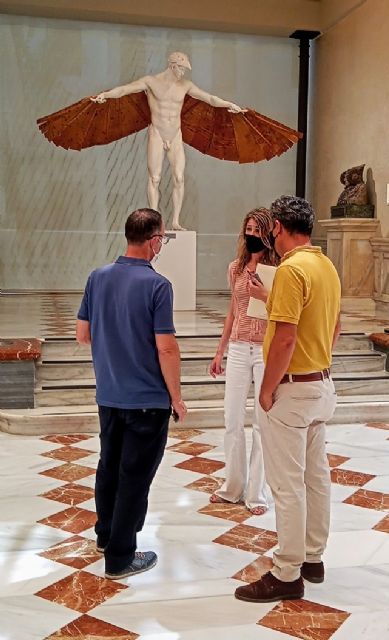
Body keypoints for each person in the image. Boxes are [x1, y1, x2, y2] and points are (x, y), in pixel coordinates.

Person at [235, 196, 341, 603]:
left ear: (278, 227)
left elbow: (284, 337)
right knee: (316, 476)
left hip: (293, 390)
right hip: (321, 385)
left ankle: (287, 571)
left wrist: (267, 389)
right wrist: (319, 362)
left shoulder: (291, 270)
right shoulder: (325, 266)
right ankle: (313, 557)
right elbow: (335, 325)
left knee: (286, 484)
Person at [76, 207, 187, 580]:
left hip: (109, 394)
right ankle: (121, 557)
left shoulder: (97, 277)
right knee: (134, 477)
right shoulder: (158, 285)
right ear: (154, 240)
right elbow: (166, 348)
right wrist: (176, 397)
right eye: (162, 238)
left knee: (109, 467)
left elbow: (83, 334)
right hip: (147, 399)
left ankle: (106, 536)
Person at [92, 52, 245, 231]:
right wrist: (106, 95)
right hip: (157, 133)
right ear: (172, 66)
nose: (183, 73)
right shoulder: (151, 82)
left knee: (179, 178)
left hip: (175, 135)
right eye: (181, 69)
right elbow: (126, 89)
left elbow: (209, 98)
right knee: (155, 178)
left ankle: (175, 221)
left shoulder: (185, 85)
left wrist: (229, 104)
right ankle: (153, 220)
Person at [209, 207, 278, 515]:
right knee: (232, 419)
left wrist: (265, 295)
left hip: (265, 348)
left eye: (257, 230)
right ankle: (232, 486)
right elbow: (232, 312)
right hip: (238, 347)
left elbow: (285, 310)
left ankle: (257, 493)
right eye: (248, 229)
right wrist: (219, 351)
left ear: (268, 233)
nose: (252, 235)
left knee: (262, 423)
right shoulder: (235, 268)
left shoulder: (278, 269)